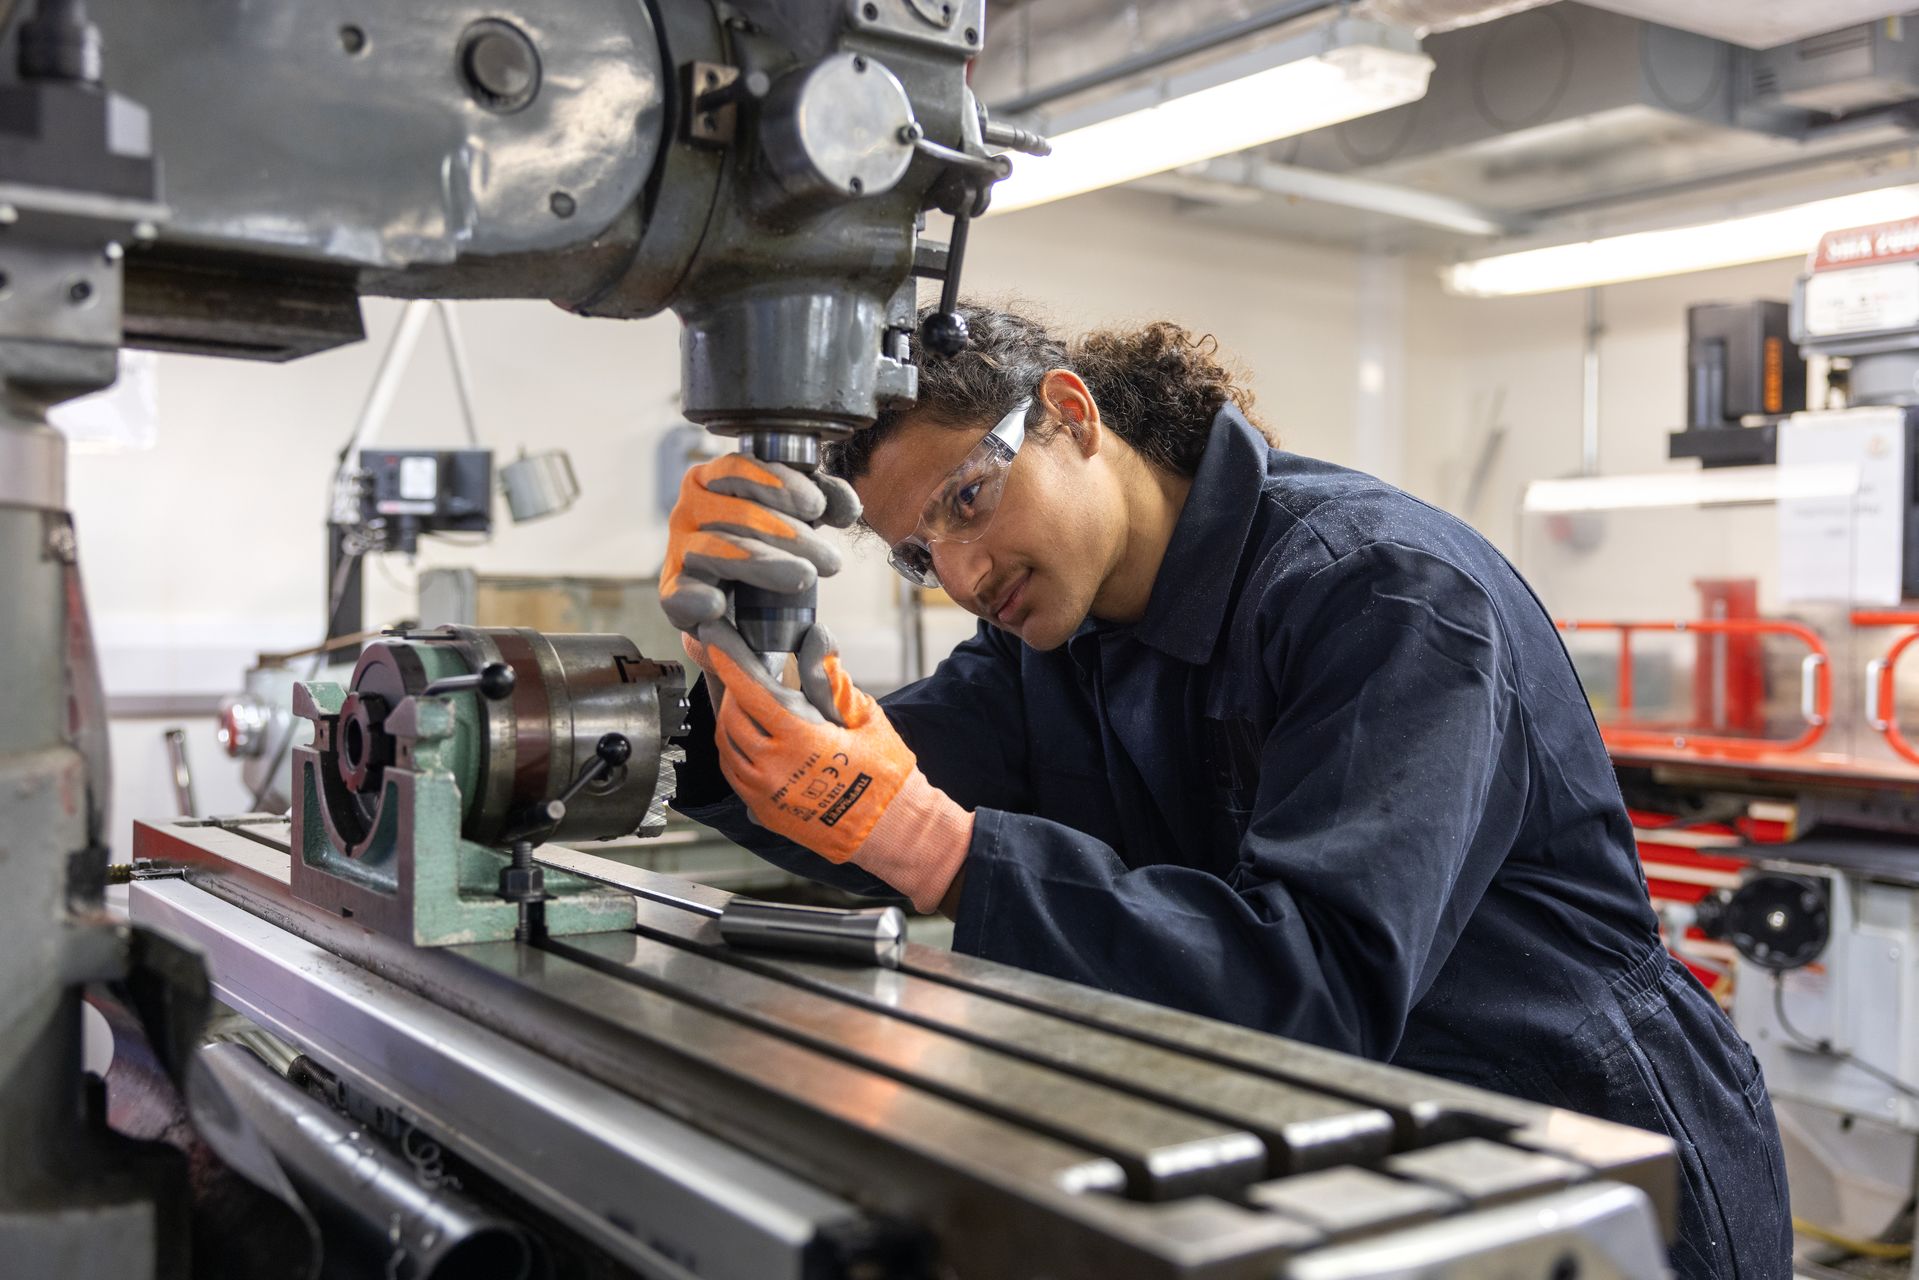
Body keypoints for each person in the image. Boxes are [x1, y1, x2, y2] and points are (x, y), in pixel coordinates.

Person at [660, 302, 1791, 1279]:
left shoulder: (1379, 592)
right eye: (916, 551)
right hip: (1356, 1153)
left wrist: (940, 849)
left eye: (966, 498)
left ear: (1072, 412)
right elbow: (834, 791)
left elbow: (1313, 981)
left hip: (1585, 1155)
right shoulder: (1047, 641)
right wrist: (734, 654)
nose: (960, 574)